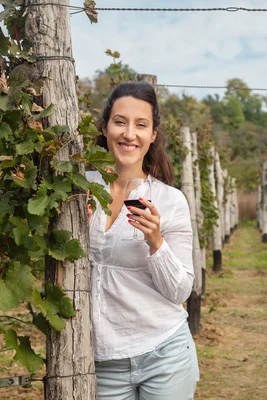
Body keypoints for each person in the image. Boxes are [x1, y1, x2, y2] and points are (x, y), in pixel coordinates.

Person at [86, 82, 199, 400]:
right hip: (101, 360)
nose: (129, 134)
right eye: (120, 121)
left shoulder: (170, 200)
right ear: (106, 126)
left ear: (153, 135)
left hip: (164, 353)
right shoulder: (77, 187)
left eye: (141, 125)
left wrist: (155, 241)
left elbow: (179, 291)